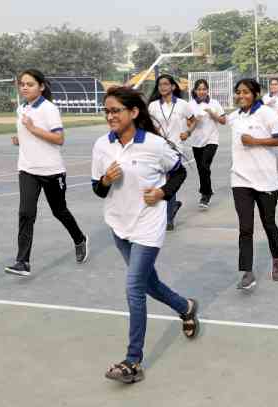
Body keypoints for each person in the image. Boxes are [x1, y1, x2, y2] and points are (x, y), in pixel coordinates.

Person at [93, 86, 198, 384]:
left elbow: (179, 172)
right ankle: (185, 306)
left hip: (148, 225)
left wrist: (163, 192)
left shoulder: (154, 145)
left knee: (133, 288)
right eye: (107, 111)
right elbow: (97, 189)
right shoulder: (102, 145)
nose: (110, 116)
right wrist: (104, 179)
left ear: (134, 112)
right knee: (148, 283)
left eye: (116, 110)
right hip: (118, 223)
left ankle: (132, 361)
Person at [5, 69, 89, 277]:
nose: (24, 87)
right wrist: (20, 139)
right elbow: (28, 135)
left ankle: (79, 239)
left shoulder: (49, 109)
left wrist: (32, 130)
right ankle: (22, 262)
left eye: (30, 84)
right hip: (27, 169)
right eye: (22, 84)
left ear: (41, 87)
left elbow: (59, 139)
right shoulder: (21, 108)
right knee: (26, 213)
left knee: (59, 211)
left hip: (52, 171)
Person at [223, 79, 278, 290]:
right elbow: (222, 119)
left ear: (256, 93)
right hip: (240, 179)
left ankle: (277, 257)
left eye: (246, 92)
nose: (241, 96)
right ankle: (247, 272)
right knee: (245, 228)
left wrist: (255, 141)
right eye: (238, 92)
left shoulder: (268, 114)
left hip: (266, 180)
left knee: (269, 223)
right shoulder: (235, 117)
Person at [148, 74, 195, 231]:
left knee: (169, 180)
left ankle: (168, 218)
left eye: (166, 84)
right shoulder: (153, 106)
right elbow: (148, 124)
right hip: (157, 147)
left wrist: (188, 132)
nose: (163, 87)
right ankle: (171, 206)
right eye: (160, 84)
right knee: (159, 181)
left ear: (173, 87)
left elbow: (193, 120)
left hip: (175, 148)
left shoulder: (183, 105)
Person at [188, 79, 225, 209]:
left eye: (204, 89)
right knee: (201, 169)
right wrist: (195, 120)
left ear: (207, 90)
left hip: (212, 140)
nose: (202, 91)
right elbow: (187, 123)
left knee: (204, 165)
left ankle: (205, 195)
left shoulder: (214, 103)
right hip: (196, 141)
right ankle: (207, 189)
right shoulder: (190, 105)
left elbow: (223, 121)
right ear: (195, 91)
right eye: (199, 89)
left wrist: (212, 113)